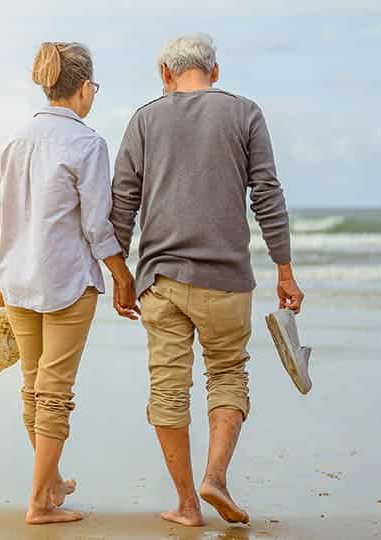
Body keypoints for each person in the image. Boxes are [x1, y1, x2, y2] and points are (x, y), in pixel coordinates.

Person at [110, 33, 305, 527]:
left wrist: (119, 275)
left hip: (161, 279)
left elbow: (122, 203)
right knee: (227, 374)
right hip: (226, 280)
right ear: (215, 72)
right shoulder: (245, 113)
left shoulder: (145, 119)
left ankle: (186, 505)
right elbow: (267, 194)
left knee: (169, 388)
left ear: (166, 76)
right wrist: (284, 268)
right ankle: (215, 476)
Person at [0, 41, 140, 525]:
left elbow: (3, 221)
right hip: (67, 282)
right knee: (54, 393)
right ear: (82, 89)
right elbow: (97, 225)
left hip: (17, 281)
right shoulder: (87, 143)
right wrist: (121, 274)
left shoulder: (14, 140)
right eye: (93, 86)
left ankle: (49, 483)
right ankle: (39, 503)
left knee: (33, 388)